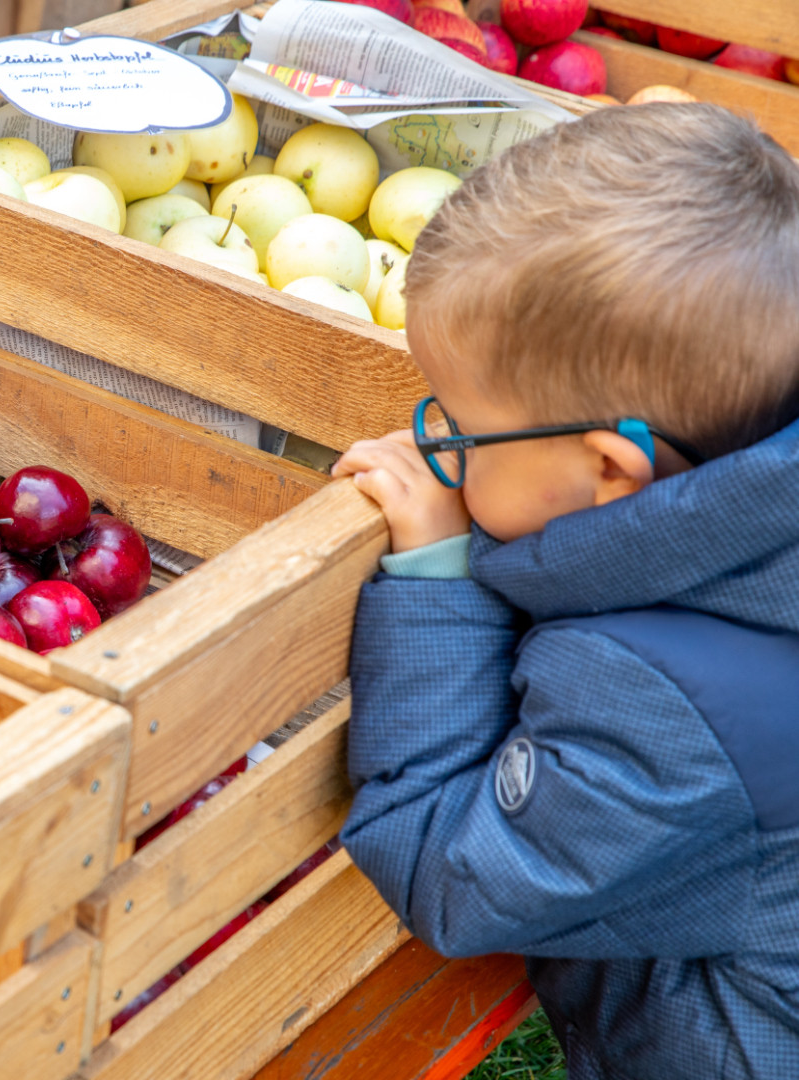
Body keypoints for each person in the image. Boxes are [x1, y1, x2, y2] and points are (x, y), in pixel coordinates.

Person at [330, 103, 799, 1080]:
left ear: (609, 470)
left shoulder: (664, 719)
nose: (436, 448)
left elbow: (448, 868)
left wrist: (435, 582)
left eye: (456, 427)